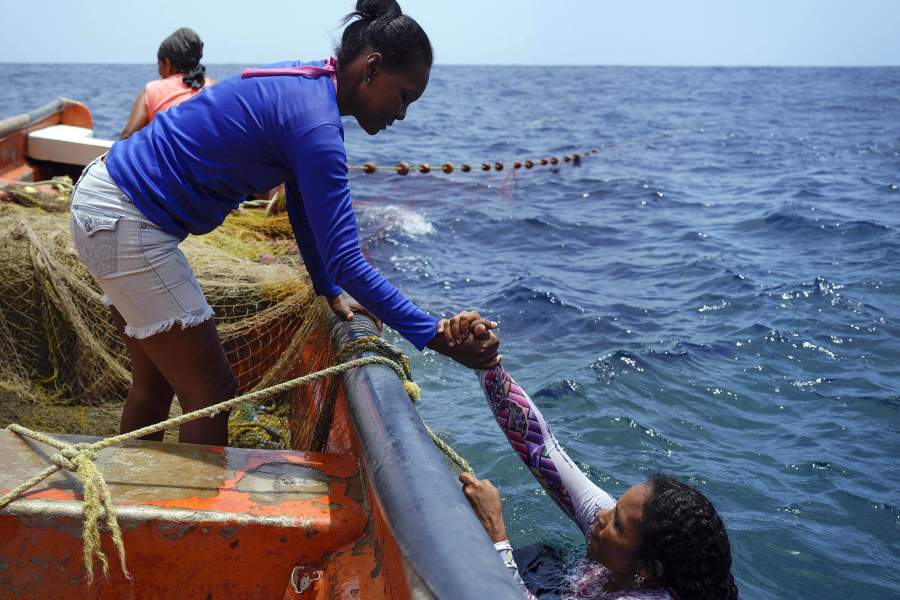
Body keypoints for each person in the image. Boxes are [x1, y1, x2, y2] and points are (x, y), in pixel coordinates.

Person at [68, 0, 499, 446]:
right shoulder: (317, 129)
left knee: (155, 384)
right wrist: (435, 337)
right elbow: (348, 260)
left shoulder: (309, 83)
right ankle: (195, 514)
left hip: (107, 199)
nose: (403, 113)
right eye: (404, 95)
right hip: (126, 218)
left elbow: (301, 208)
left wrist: (326, 288)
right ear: (371, 68)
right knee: (211, 392)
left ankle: (129, 502)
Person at [443, 315, 737, 599]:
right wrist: (484, 363)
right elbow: (539, 447)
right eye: (616, 505)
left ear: (648, 569)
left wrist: (496, 532)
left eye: (617, 524)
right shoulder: (621, 544)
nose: (600, 514)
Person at [120, 27, 213, 139]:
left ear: (167, 63)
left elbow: (127, 135)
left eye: (159, 63)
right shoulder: (212, 88)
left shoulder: (152, 90)